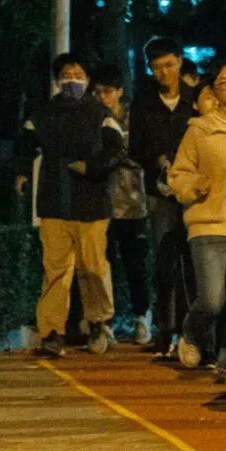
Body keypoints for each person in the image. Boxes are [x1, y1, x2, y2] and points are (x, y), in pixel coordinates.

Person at [15, 53, 125, 357]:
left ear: (87, 80)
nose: (72, 80)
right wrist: (22, 173)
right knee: (55, 271)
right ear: (57, 80)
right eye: (66, 75)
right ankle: (51, 332)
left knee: (93, 267)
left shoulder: (101, 113)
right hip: (54, 202)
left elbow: (117, 150)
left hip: (92, 203)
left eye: (78, 75)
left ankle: (99, 323)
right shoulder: (42, 114)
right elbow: (24, 146)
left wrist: (92, 167)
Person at [168, 63, 226, 386]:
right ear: (214, 91)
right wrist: (194, 186)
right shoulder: (200, 129)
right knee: (212, 300)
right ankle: (192, 332)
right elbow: (178, 174)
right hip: (208, 224)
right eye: (223, 82)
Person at [129, 37, 197, 356]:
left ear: (180, 62)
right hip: (160, 193)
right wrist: (156, 159)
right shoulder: (143, 104)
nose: (164, 72)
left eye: (169, 65)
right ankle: (164, 329)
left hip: (194, 192)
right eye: (157, 67)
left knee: (193, 260)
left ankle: (191, 330)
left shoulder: (195, 100)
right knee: (164, 260)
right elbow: (135, 148)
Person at [91, 64, 152, 344]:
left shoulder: (134, 119)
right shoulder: (92, 119)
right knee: (104, 266)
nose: (103, 97)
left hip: (132, 203)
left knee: (135, 264)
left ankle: (142, 316)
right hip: (99, 204)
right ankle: (105, 321)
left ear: (119, 92)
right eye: (98, 92)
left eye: (108, 91)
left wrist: (110, 157)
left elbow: (139, 153)